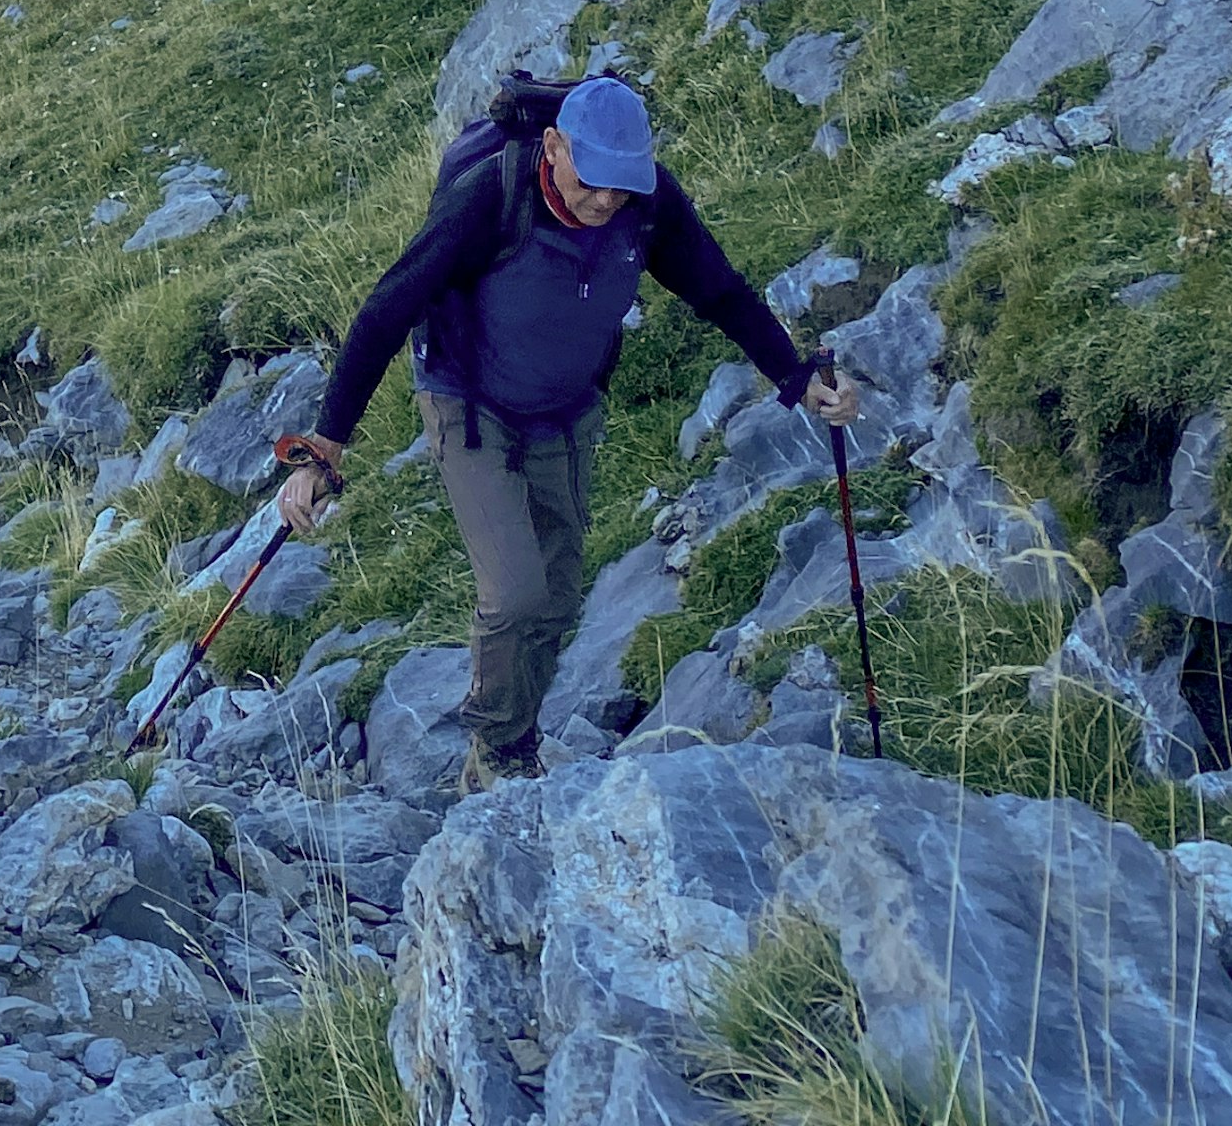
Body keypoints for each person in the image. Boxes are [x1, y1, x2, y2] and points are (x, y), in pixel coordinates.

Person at [272, 70, 860, 789]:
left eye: (623, 185)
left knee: (557, 595)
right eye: (593, 180)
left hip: (566, 411)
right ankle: (494, 753)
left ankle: (517, 744)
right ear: (553, 147)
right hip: (469, 405)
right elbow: (385, 311)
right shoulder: (490, 199)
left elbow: (721, 292)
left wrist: (796, 377)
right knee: (515, 593)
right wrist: (325, 447)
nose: (606, 200)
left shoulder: (649, 207)